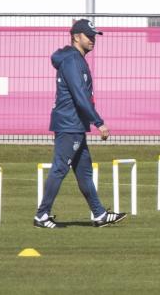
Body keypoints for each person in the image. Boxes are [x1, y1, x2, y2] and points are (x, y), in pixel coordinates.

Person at [34, 19, 126, 228]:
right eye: (88, 35)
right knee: (59, 169)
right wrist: (99, 122)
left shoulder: (76, 58)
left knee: (84, 172)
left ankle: (99, 214)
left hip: (75, 125)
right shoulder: (72, 61)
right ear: (76, 37)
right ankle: (41, 215)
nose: (93, 39)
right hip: (69, 124)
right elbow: (79, 96)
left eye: (94, 35)